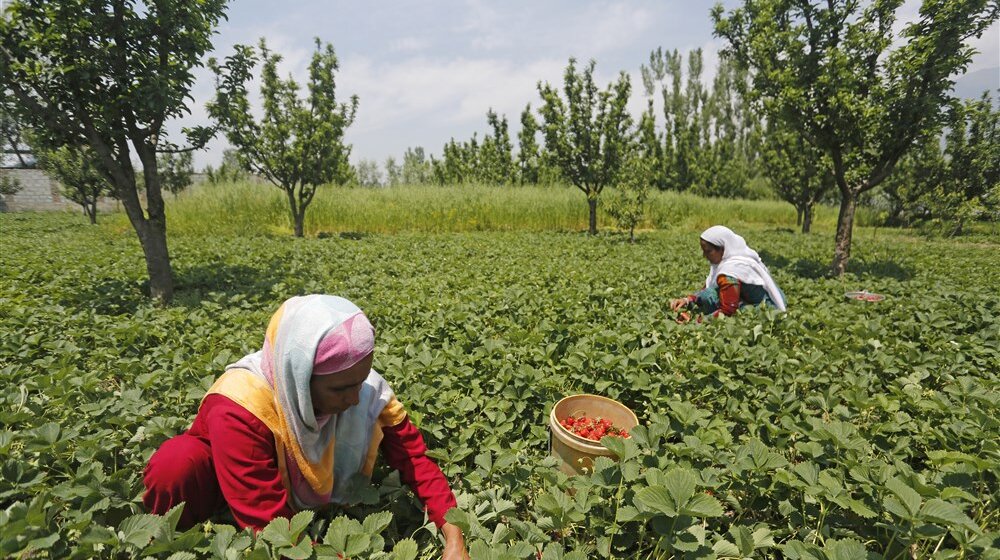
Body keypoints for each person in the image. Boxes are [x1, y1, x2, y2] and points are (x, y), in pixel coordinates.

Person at [143, 295, 469, 559]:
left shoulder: (363, 387)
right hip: (230, 487)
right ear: (298, 379)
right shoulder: (240, 404)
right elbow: (272, 529)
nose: (356, 398)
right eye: (341, 389)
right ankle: (170, 544)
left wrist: (454, 537)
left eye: (360, 381)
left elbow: (416, 462)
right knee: (176, 463)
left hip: (271, 495)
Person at [669, 226, 786, 321]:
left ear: (722, 249)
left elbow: (728, 310)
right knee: (707, 294)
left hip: (767, 310)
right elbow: (707, 289)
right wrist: (687, 300)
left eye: (708, 251)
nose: (705, 256)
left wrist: (697, 321)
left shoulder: (731, 270)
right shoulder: (729, 261)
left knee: (720, 304)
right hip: (755, 301)